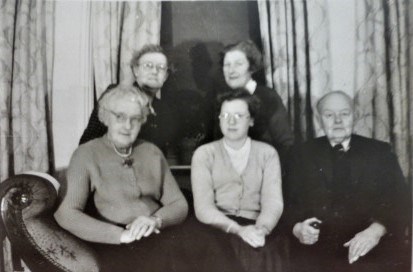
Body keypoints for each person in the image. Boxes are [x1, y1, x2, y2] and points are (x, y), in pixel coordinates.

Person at [54, 84, 188, 272]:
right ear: (106, 117)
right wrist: (120, 236)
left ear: (142, 121)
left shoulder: (152, 152)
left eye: (135, 119)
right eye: (120, 117)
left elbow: (178, 203)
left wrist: (156, 220)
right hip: (117, 243)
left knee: (204, 247)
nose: (127, 125)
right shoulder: (86, 154)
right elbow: (66, 214)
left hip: (157, 233)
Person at [285, 91, 411, 272]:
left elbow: (402, 201)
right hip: (316, 251)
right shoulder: (300, 154)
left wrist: (376, 231)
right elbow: (284, 203)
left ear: (356, 115)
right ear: (319, 119)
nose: (337, 121)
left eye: (344, 114)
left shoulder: (379, 152)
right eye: (329, 115)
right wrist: (297, 228)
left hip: (371, 248)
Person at [191, 89, 286, 272]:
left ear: (251, 120)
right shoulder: (204, 154)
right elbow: (203, 208)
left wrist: (262, 229)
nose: (231, 121)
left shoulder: (268, 153)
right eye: (225, 115)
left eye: (239, 115)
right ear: (219, 119)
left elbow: (273, 201)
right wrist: (238, 230)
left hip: (258, 225)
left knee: (267, 253)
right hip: (217, 229)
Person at [79, 44, 182, 157]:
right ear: (136, 70)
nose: (154, 71)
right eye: (148, 65)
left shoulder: (165, 110)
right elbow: (87, 144)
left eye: (161, 67)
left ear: (166, 76)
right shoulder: (115, 95)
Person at [220, 40, 294, 163]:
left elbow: (286, 144)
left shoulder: (268, 97)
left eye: (238, 64)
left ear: (252, 67)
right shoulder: (222, 99)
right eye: (227, 64)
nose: (231, 70)